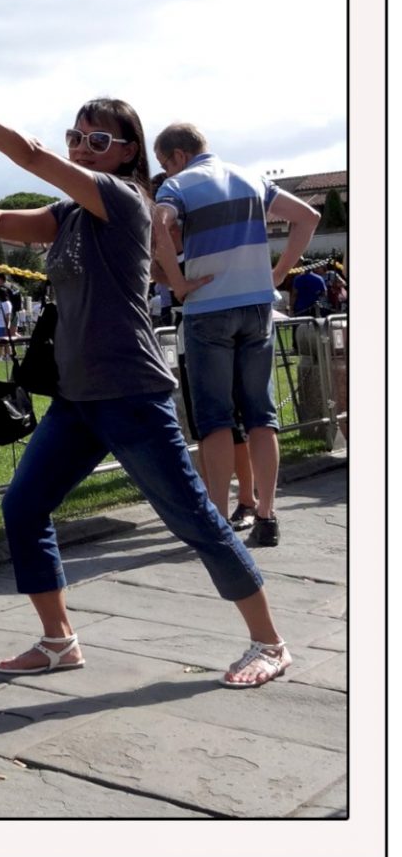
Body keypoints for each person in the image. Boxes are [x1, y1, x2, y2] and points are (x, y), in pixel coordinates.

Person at [0, 47, 292, 689]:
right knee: (24, 506)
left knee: (196, 517)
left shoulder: (124, 200)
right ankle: (58, 640)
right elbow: (1, 221)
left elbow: (32, 158)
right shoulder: (68, 216)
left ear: (126, 152)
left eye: (96, 138)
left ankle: (270, 642)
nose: (81, 146)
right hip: (79, 398)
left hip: (130, 392)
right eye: (76, 136)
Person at [153, 123, 320, 548]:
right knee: (261, 417)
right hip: (256, 305)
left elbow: (159, 220)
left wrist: (177, 281)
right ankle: (266, 515)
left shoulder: (179, 184)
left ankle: (218, 520)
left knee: (215, 420)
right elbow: (308, 217)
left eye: (162, 161)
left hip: (208, 307)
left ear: (176, 155)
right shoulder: (250, 178)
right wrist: (278, 273)